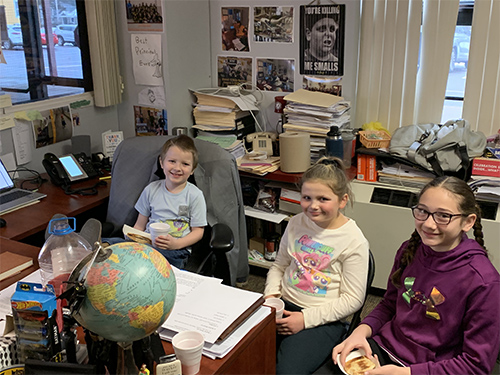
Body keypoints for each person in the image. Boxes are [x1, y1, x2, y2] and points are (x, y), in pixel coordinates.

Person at [333, 176, 500, 375]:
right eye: (423, 211)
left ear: (468, 222)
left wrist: (404, 373)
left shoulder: (484, 283)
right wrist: (361, 331)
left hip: (432, 368)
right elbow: (389, 305)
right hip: (385, 347)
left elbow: (476, 366)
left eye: (443, 216)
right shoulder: (409, 250)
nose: (429, 224)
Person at [264, 157, 370, 374]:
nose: (313, 206)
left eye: (323, 199)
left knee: (285, 371)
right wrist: (271, 296)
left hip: (322, 318)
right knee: (243, 351)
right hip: (283, 304)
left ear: (342, 200)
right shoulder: (295, 223)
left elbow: (353, 299)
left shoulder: (353, 240)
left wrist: (305, 320)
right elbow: (279, 266)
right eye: (306, 197)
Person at [133, 135, 207, 268]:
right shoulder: (151, 190)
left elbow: (198, 232)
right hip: (148, 245)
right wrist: (133, 241)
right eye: (172, 161)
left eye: (185, 164)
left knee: (152, 261)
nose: (177, 168)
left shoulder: (195, 195)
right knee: (115, 244)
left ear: (193, 169)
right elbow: (139, 226)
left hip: (176, 250)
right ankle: (103, 245)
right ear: (162, 163)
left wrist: (176, 244)